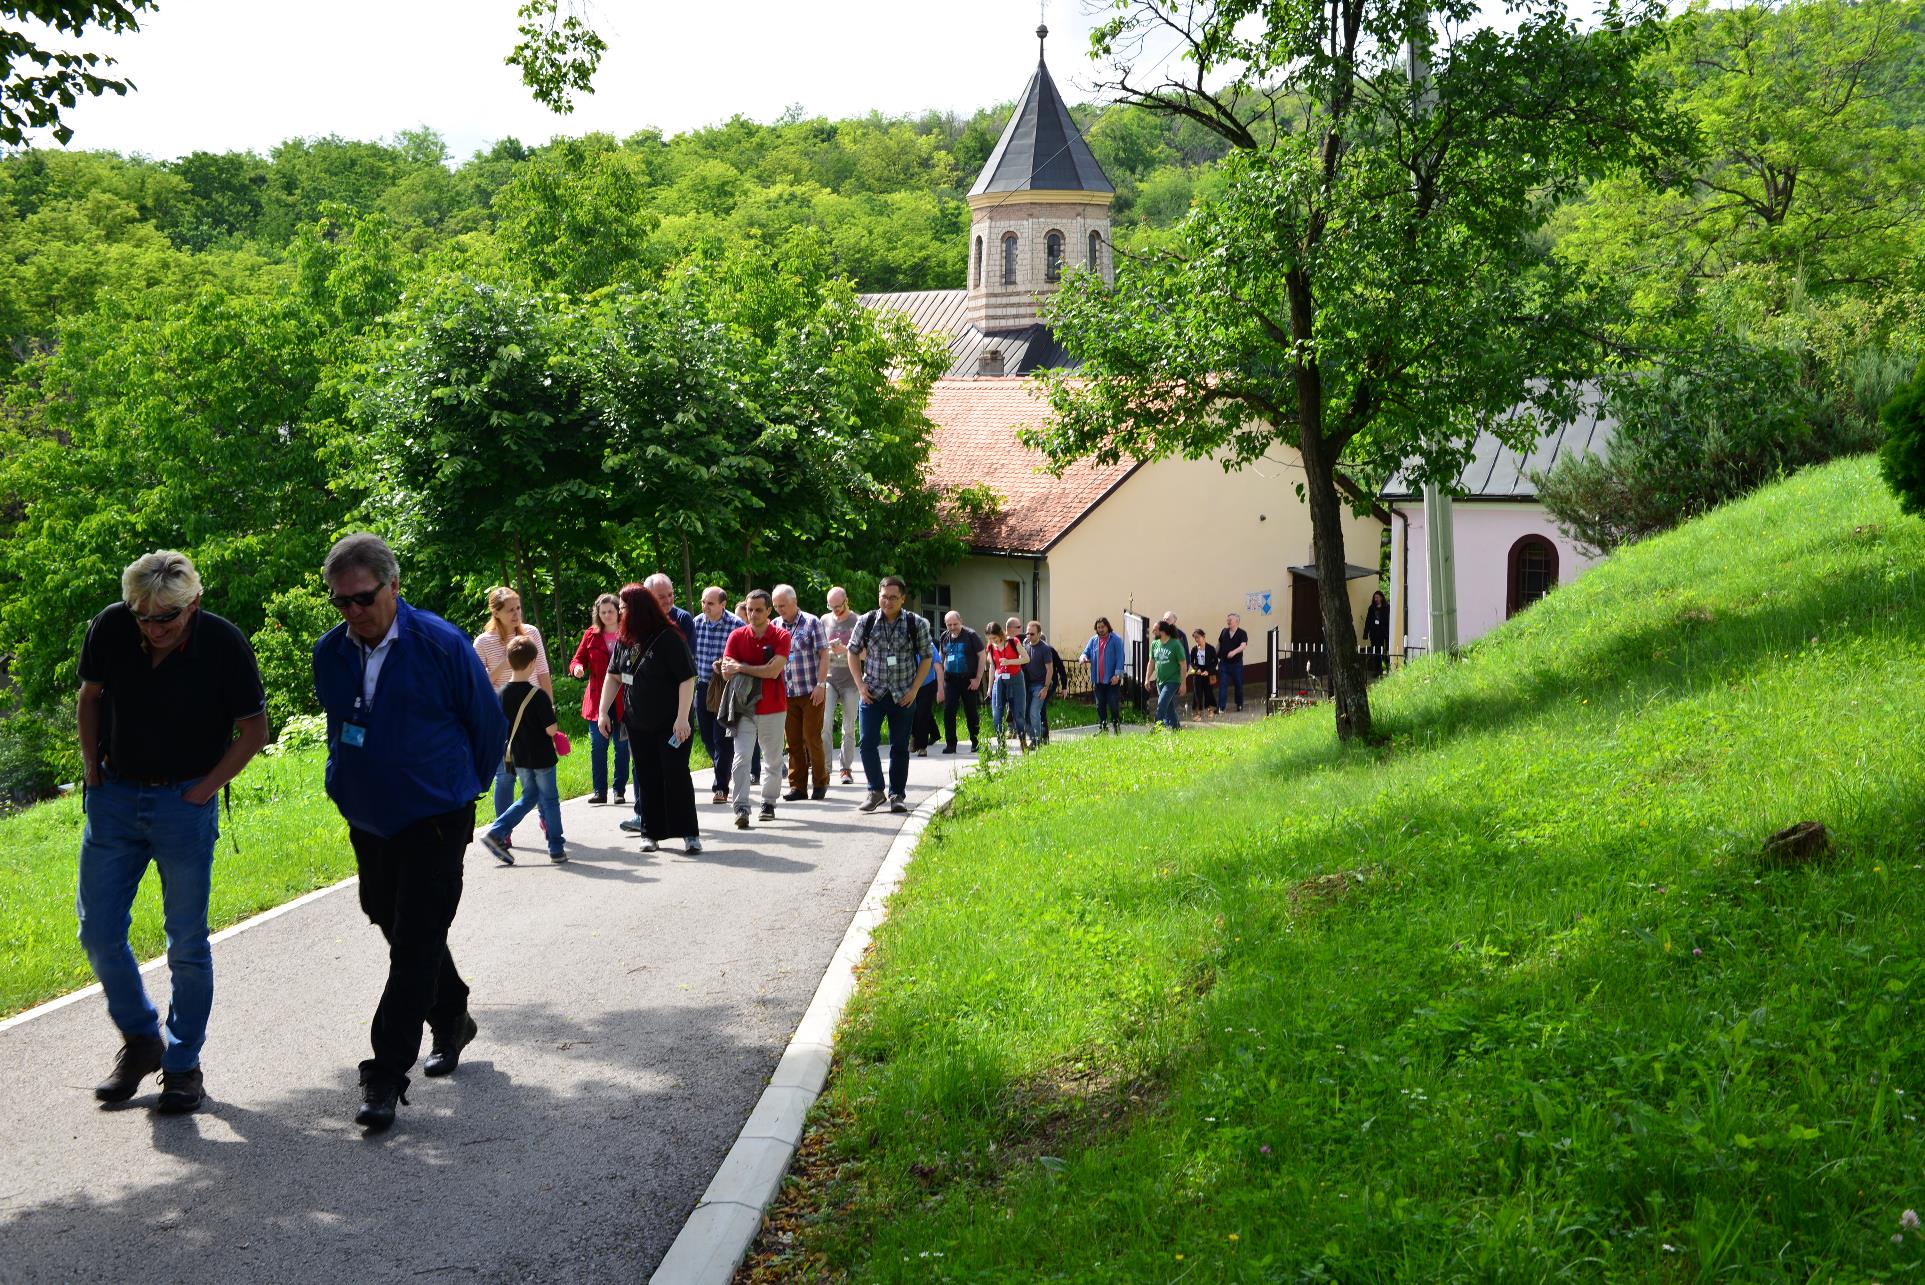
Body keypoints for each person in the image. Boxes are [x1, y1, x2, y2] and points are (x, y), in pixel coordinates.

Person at [313, 533, 507, 1132]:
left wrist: (460, 791)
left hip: (436, 816)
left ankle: (385, 1073)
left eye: (363, 598)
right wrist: (342, 782)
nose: (353, 612)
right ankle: (451, 1012)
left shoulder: (440, 644)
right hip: (369, 816)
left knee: (416, 939)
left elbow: (487, 725)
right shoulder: (331, 652)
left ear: (393, 587)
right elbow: (339, 722)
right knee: (386, 912)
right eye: (340, 601)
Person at [75, 550, 269, 1115]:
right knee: (98, 932)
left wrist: (204, 790)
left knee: (186, 944)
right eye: (144, 617)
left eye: (168, 618)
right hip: (114, 797)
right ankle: (142, 1041)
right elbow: (89, 699)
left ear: (194, 604)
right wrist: (91, 771)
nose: (155, 629)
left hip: (184, 803)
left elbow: (254, 729)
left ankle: (183, 1067)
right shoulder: (112, 626)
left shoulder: (224, 643)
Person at [600, 581, 700, 854]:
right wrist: (602, 712)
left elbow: (687, 679)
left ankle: (689, 833)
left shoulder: (669, 637)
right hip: (637, 723)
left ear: (637, 609)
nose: (620, 613)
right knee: (647, 776)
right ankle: (650, 833)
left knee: (676, 774)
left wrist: (682, 718)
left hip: (671, 724)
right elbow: (614, 676)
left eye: (622, 608)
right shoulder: (625, 640)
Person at [848, 576, 933, 813]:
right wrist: (860, 685)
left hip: (903, 694)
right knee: (866, 743)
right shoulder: (866, 621)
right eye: (884, 596)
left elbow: (927, 657)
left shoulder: (916, 624)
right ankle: (875, 791)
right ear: (879, 596)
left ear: (903, 599)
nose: (887, 601)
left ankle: (897, 795)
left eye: (893, 597)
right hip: (872, 693)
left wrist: (915, 689)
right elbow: (852, 652)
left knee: (899, 747)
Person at [477, 637, 566, 865]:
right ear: (532, 663)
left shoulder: (500, 694)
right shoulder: (538, 696)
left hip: (519, 756)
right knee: (550, 799)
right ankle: (556, 847)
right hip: (542, 757)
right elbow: (550, 729)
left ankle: (497, 831)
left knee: (529, 796)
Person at [473, 587, 551, 837]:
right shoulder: (483, 642)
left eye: (518, 608)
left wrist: (549, 706)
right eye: (510, 610)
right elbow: (481, 683)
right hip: (503, 717)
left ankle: (547, 819)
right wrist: (507, 660)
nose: (516, 614)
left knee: (541, 770)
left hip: (534, 711)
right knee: (505, 776)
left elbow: (542, 671)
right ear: (496, 612)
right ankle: (502, 830)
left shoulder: (532, 633)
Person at [719, 589, 790, 829]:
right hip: (743, 708)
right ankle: (741, 807)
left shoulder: (781, 635)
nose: (753, 614)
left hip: (773, 707)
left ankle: (768, 802)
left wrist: (742, 667)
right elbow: (726, 671)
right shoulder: (737, 636)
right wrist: (738, 667)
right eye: (750, 609)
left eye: (759, 610)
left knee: (772, 759)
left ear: (769, 611)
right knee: (741, 759)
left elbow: (773, 671)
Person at [569, 593, 628, 805]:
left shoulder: (628, 634)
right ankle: (599, 790)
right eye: (602, 612)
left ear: (618, 612)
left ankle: (619, 790)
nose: (607, 615)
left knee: (621, 748)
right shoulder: (591, 635)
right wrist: (577, 668)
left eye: (611, 611)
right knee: (598, 746)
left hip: (623, 700)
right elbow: (578, 658)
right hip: (596, 700)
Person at [773, 584, 830, 801]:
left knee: (811, 737)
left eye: (783, 605)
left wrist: (821, 685)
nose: (779, 610)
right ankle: (797, 786)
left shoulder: (811, 622)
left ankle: (820, 781)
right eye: (776, 606)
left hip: (810, 691)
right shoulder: (775, 625)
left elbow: (824, 655)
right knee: (793, 741)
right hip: (786, 693)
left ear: (794, 602)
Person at [688, 587, 744, 807]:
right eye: (703, 602)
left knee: (722, 738)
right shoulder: (695, 623)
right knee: (706, 737)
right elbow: (689, 653)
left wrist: (726, 667)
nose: (705, 607)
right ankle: (723, 766)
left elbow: (743, 658)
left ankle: (720, 786)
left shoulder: (736, 625)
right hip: (702, 686)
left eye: (710, 603)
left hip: (727, 687)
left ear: (723, 604)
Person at [819, 587, 862, 784]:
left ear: (847, 601)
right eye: (831, 606)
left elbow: (866, 654)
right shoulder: (824, 620)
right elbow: (818, 651)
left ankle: (845, 769)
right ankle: (826, 768)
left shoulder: (858, 621)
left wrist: (846, 650)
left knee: (848, 727)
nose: (835, 610)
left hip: (851, 681)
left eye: (839, 606)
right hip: (828, 679)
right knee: (825, 725)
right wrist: (827, 650)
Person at [937, 611, 987, 754]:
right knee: (948, 712)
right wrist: (940, 683)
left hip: (969, 680)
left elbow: (982, 657)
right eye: (949, 624)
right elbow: (941, 657)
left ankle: (976, 742)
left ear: (961, 621)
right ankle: (951, 744)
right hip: (951, 680)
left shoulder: (971, 636)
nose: (952, 627)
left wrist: (978, 678)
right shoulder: (944, 637)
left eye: (955, 624)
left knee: (971, 711)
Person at [985, 621, 1031, 752]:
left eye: (994, 638)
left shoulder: (1013, 642)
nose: (992, 641)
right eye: (989, 638)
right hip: (999, 681)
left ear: (1000, 634)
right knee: (996, 714)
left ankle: (1023, 744)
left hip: (1016, 679)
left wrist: (1010, 662)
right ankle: (1001, 746)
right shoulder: (990, 647)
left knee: (1018, 714)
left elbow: (1026, 658)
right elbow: (992, 667)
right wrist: (989, 688)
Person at [1083, 617, 1125, 734]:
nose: (1101, 629)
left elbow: (1120, 657)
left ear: (1107, 626)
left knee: (1113, 704)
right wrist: (1083, 657)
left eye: (1103, 627)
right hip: (1098, 679)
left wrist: (1117, 676)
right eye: (1098, 627)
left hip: (1112, 680)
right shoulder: (1093, 640)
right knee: (1099, 704)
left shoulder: (1115, 639)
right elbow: (1086, 652)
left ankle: (1116, 726)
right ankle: (1103, 727)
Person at [1022, 620, 1057, 746]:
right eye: (1027, 633)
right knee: (1024, 713)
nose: (1029, 636)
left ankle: (1036, 740)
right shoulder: (1025, 644)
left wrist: (1045, 688)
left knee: (1034, 712)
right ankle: (1040, 733)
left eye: (1032, 634)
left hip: (1040, 685)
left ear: (1039, 633)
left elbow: (1050, 670)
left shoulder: (1045, 648)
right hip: (1028, 684)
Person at [1150, 620, 1186, 730]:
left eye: (1155, 630)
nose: (1152, 631)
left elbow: (1183, 665)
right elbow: (1151, 662)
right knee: (1169, 708)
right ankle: (1177, 729)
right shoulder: (1154, 644)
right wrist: (1147, 679)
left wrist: (1183, 683)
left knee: (1161, 703)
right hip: (1159, 680)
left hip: (1173, 680)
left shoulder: (1175, 644)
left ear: (1163, 631)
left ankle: (1156, 728)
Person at [910, 643, 943, 756]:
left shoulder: (929, 645)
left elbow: (938, 668)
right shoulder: (904, 642)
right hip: (909, 686)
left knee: (922, 714)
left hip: (926, 685)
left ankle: (922, 747)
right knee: (911, 714)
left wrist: (940, 689)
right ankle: (915, 737)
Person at [1217, 613, 1249, 713]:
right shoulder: (1224, 631)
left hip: (1236, 664)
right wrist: (1214, 655)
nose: (1228, 621)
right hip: (1224, 664)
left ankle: (1239, 704)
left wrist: (1234, 652)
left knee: (1238, 685)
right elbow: (1219, 644)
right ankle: (1221, 707)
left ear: (1236, 622)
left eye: (1230, 619)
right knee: (1222, 685)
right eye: (1227, 619)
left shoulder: (1242, 633)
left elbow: (1243, 645)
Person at [1189, 629, 1219, 720]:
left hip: (1208, 673)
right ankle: (1198, 714)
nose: (1196, 639)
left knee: (1209, 692)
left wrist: (1208, 671)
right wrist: (1197, 669)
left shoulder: (1210, 648)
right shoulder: (1194, 649)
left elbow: (1215, 661)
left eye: (1198, 637)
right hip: (1198, 674)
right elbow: (1192, 662)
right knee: (1197, 693)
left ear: (1203, 636)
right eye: (1195, 638)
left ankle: (1211, 711)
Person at [1363, 589, 1392, 678]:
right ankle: (1378, 670)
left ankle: (1388, 668)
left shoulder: (1387, 607)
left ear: (1381, 598)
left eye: (1377, 597)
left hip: (1384, 633)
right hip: (1374, 633)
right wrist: (1366, 632)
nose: (1376, 599)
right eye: (1374, 597)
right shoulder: (1371, 608)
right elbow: (1368, 621)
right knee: (1376, 652)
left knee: (1385, 651)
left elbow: (1389, 620)